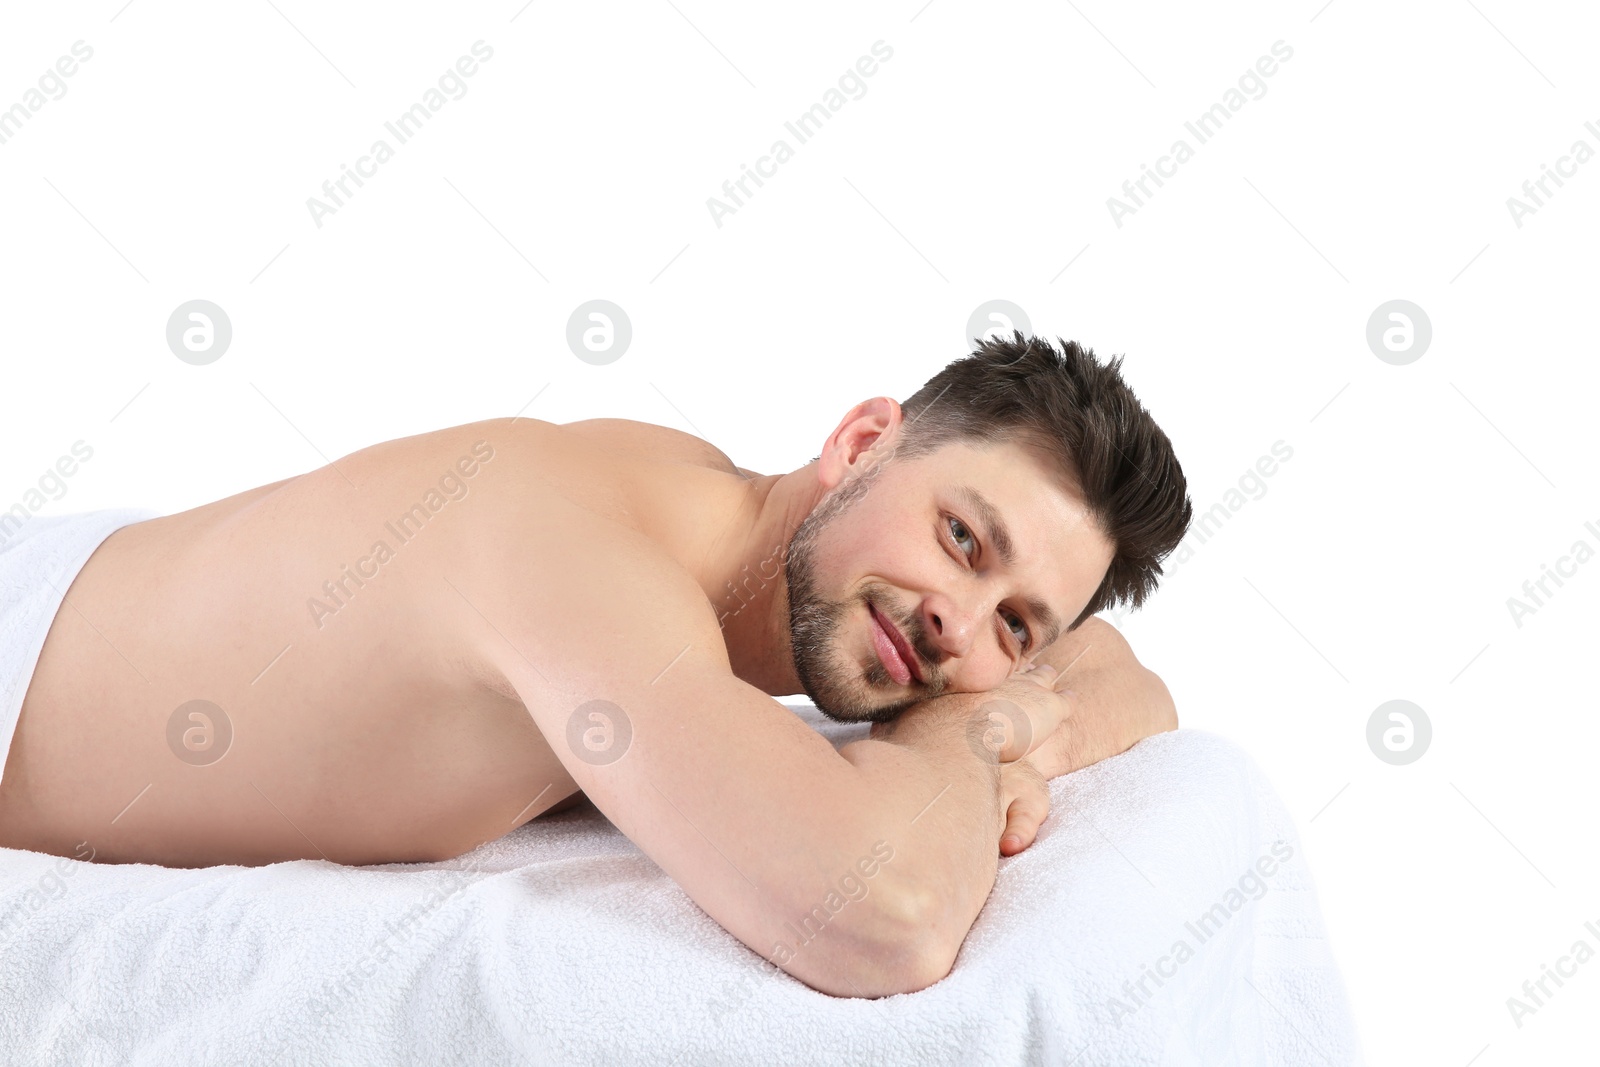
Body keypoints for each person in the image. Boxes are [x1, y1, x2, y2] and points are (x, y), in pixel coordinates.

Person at [0, 331, 1192, 997]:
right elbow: (881, 913)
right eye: (960, 538)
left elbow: (1127, 673)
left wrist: (1032, 699)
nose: (957, 627)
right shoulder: (581, 559)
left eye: (1016, 626)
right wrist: (978, 732)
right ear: (861, 441)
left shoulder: (708, 521)